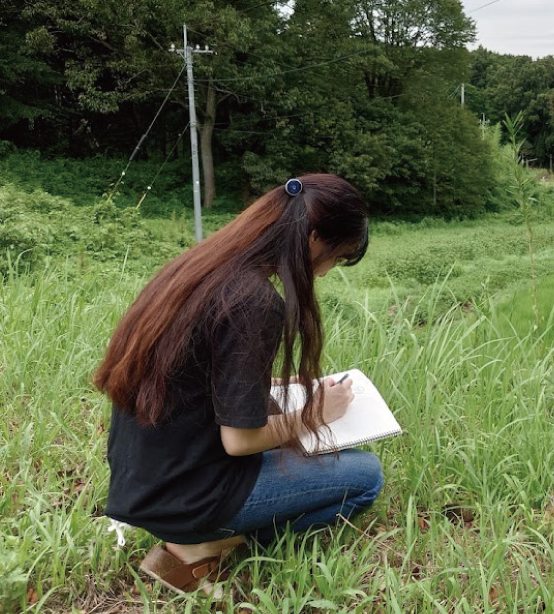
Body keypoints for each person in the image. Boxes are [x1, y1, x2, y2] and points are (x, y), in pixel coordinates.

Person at [94, 174, 384, 594]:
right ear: (315, 238)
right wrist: (314, 414)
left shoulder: (200, 269)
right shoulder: (253, 301)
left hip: (142, 478)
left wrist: (268, 382)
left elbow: (196, 373)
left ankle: (190, 536)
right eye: (336, 258)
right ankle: (199, 544)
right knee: (366, 475)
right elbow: (239, 442)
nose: (324, 272)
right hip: (188, 494)